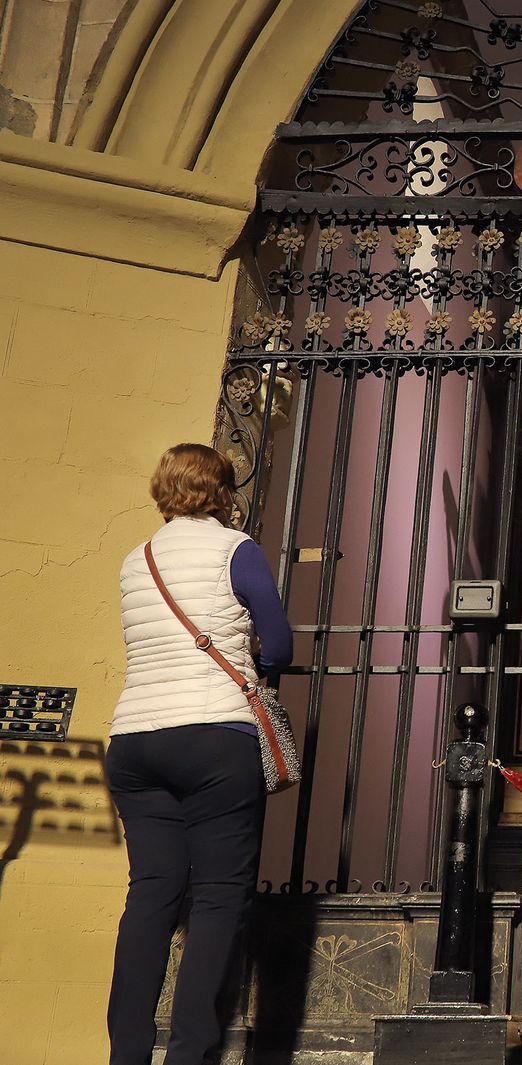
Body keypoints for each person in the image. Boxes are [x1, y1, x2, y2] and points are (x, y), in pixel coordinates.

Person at [105, 444, 292, 1065]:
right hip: (214, 735)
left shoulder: (137, 560)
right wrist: (257, 665)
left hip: (134, 740)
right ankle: (189, 1055)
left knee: (150, 895)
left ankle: (127, 1054)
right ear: (222, 491)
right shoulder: (234, 549)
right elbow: (281, 643)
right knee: (217, 896)